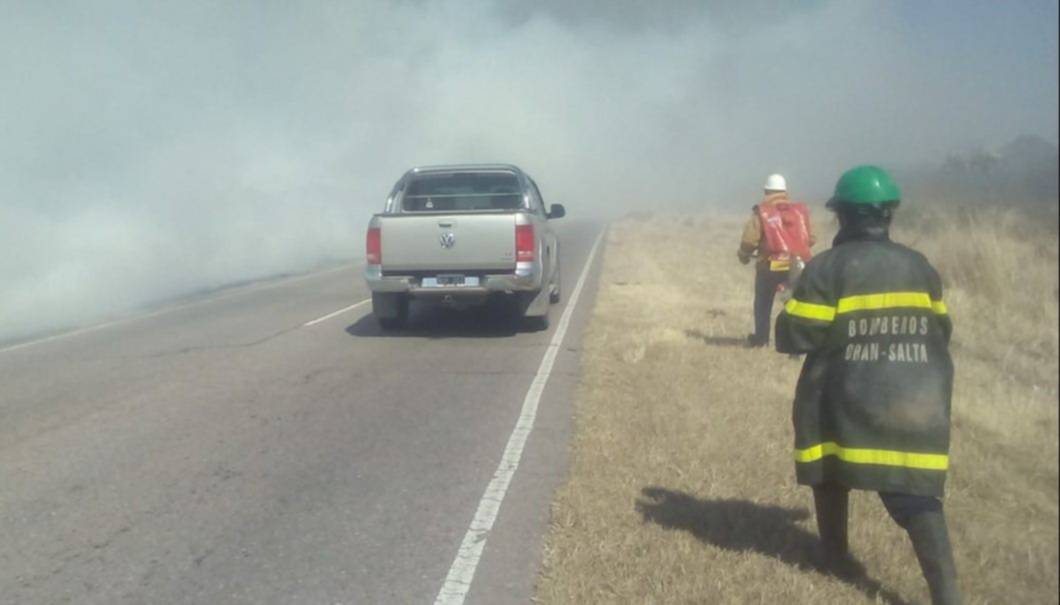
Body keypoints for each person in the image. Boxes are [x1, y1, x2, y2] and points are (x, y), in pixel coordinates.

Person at [775, 166, 960, 604]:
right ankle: (948, 594)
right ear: (887, 215)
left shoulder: (826, 269)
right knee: (916, 498)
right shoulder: (920, 267)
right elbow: (942, 330)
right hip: (915, 405)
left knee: (830, 472)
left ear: (842, 216)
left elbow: (794, 336)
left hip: (844, 405)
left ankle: (835, 555)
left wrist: (792, 296)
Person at [738, 173, 815, 347]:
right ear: (785, 191)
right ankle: (798, 342)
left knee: (763, 303)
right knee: (796, 304)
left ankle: (761, 339)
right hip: (798, 264)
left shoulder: (762, 212)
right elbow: (811, 238)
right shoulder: (799, 212)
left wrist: (743, 255)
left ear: (766, 190)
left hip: (770, 265)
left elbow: (750, 240)